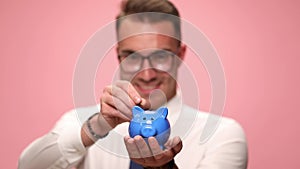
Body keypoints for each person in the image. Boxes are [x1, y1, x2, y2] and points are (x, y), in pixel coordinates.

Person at [18, 0, 248, 168]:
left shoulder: (221, 134)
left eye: (160, 56)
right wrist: (97, 126)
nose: (146, 74)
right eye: (132, 56)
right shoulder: (80, 123)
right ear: (119, 56)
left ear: (181, 54)